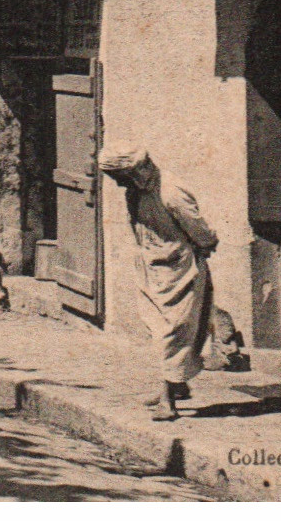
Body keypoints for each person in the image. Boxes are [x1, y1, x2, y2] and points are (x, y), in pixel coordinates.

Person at [100, 147, 219, 421]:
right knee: (159, 327)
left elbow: (200, 231)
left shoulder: (172, 192)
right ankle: (177, 385)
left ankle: (168, 400)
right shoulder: (135, 191)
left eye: (119, 176)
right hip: (153, 268)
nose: (117, 183)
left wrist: (203, 246)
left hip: (180, 270)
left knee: (175, 331)